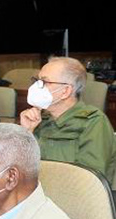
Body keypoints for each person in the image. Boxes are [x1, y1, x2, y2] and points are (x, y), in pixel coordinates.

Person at [20, 56, 116, 185]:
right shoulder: (38, 120)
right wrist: (27, 132)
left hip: (74, 197)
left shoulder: (93, 121)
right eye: (36, 81)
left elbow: (90, 179)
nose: (36, 87)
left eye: (44, 82)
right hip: (41, 193)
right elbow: (21, 169)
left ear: (65, 91)